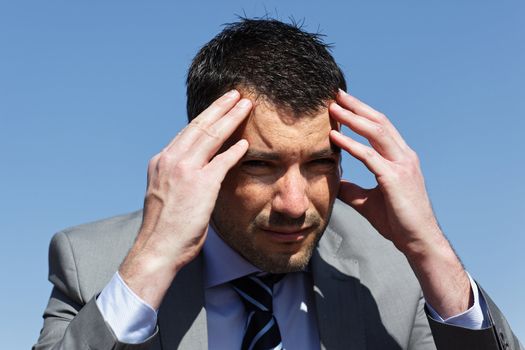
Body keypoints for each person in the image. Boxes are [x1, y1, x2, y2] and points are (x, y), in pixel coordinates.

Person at [34, 18, 522, 350]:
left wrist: (429, 250)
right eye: (262, 166)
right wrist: (152, 263)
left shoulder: (393, 273)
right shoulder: (91, 263)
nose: (295, 204)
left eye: (318, 164)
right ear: (204, 160)